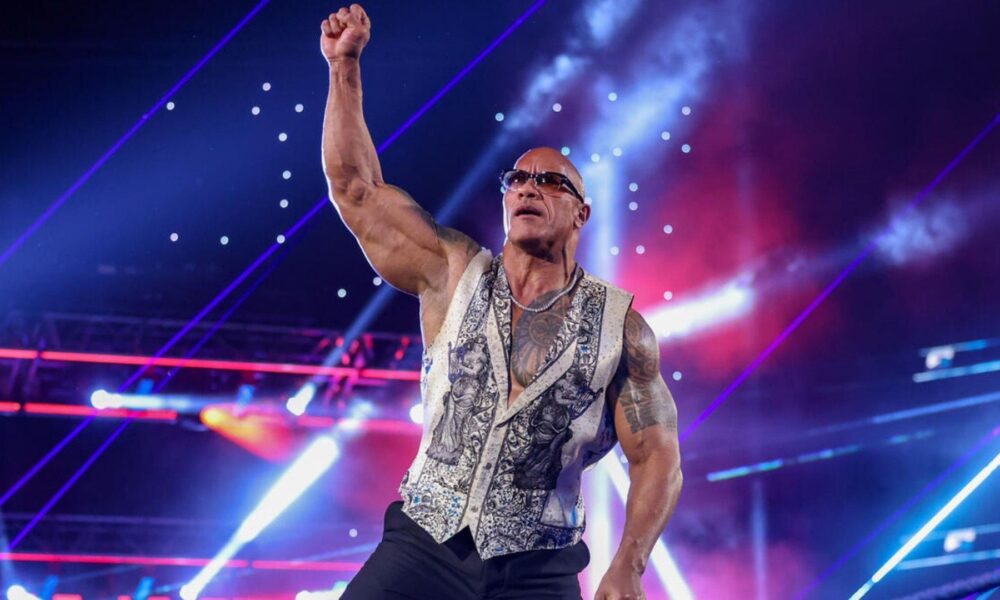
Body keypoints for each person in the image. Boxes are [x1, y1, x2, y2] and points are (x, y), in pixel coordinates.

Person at [320, 5, 682, 599]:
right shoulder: (452, 271)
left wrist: (630, 564)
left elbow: (656, 456)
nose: (529, 187)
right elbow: (356, 191)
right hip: (425, 543)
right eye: (518, 179)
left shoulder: (623, 330)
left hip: (539, 567)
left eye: (551, 181)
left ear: (581, 214)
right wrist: (344, 66)